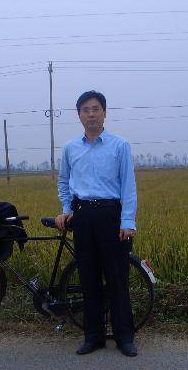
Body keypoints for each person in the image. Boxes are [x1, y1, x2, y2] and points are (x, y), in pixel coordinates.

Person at [55, 90, 138, 357]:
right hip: (83, 218)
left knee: (117, 280)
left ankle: (125, 337)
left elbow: (128, 187)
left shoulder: (119, 146)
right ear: (79, 115)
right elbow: (64, 183)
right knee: (89, 279)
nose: (91, 114)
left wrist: (128, 222)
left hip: (111, 216)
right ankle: (94, 337)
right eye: (85, 110)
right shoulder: (71, 148)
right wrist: (67, 209)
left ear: (104, 113)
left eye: (95, 109)